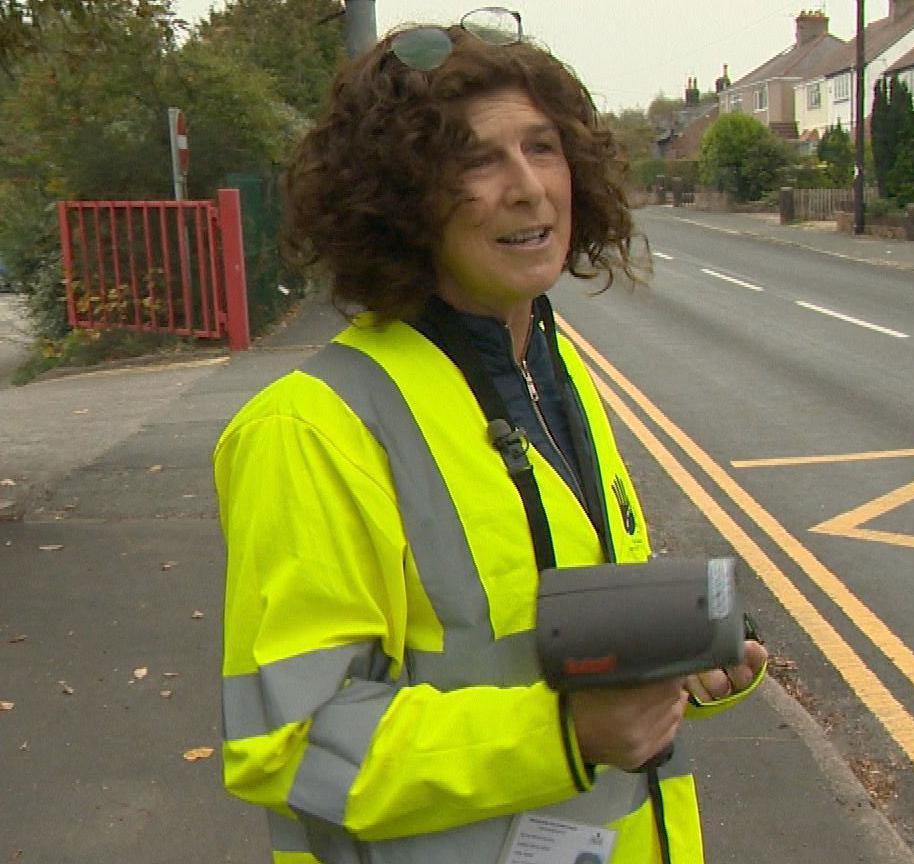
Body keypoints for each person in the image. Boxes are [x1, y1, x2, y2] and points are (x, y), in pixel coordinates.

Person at [213, 9, 768, 863]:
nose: (528, 187)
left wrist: (681, 668)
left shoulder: (555, 367)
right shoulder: (312, 427)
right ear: (398, 200)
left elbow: (549, 638)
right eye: (475, 160)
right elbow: (290, 742)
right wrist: (565, 733)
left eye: (542, 147)